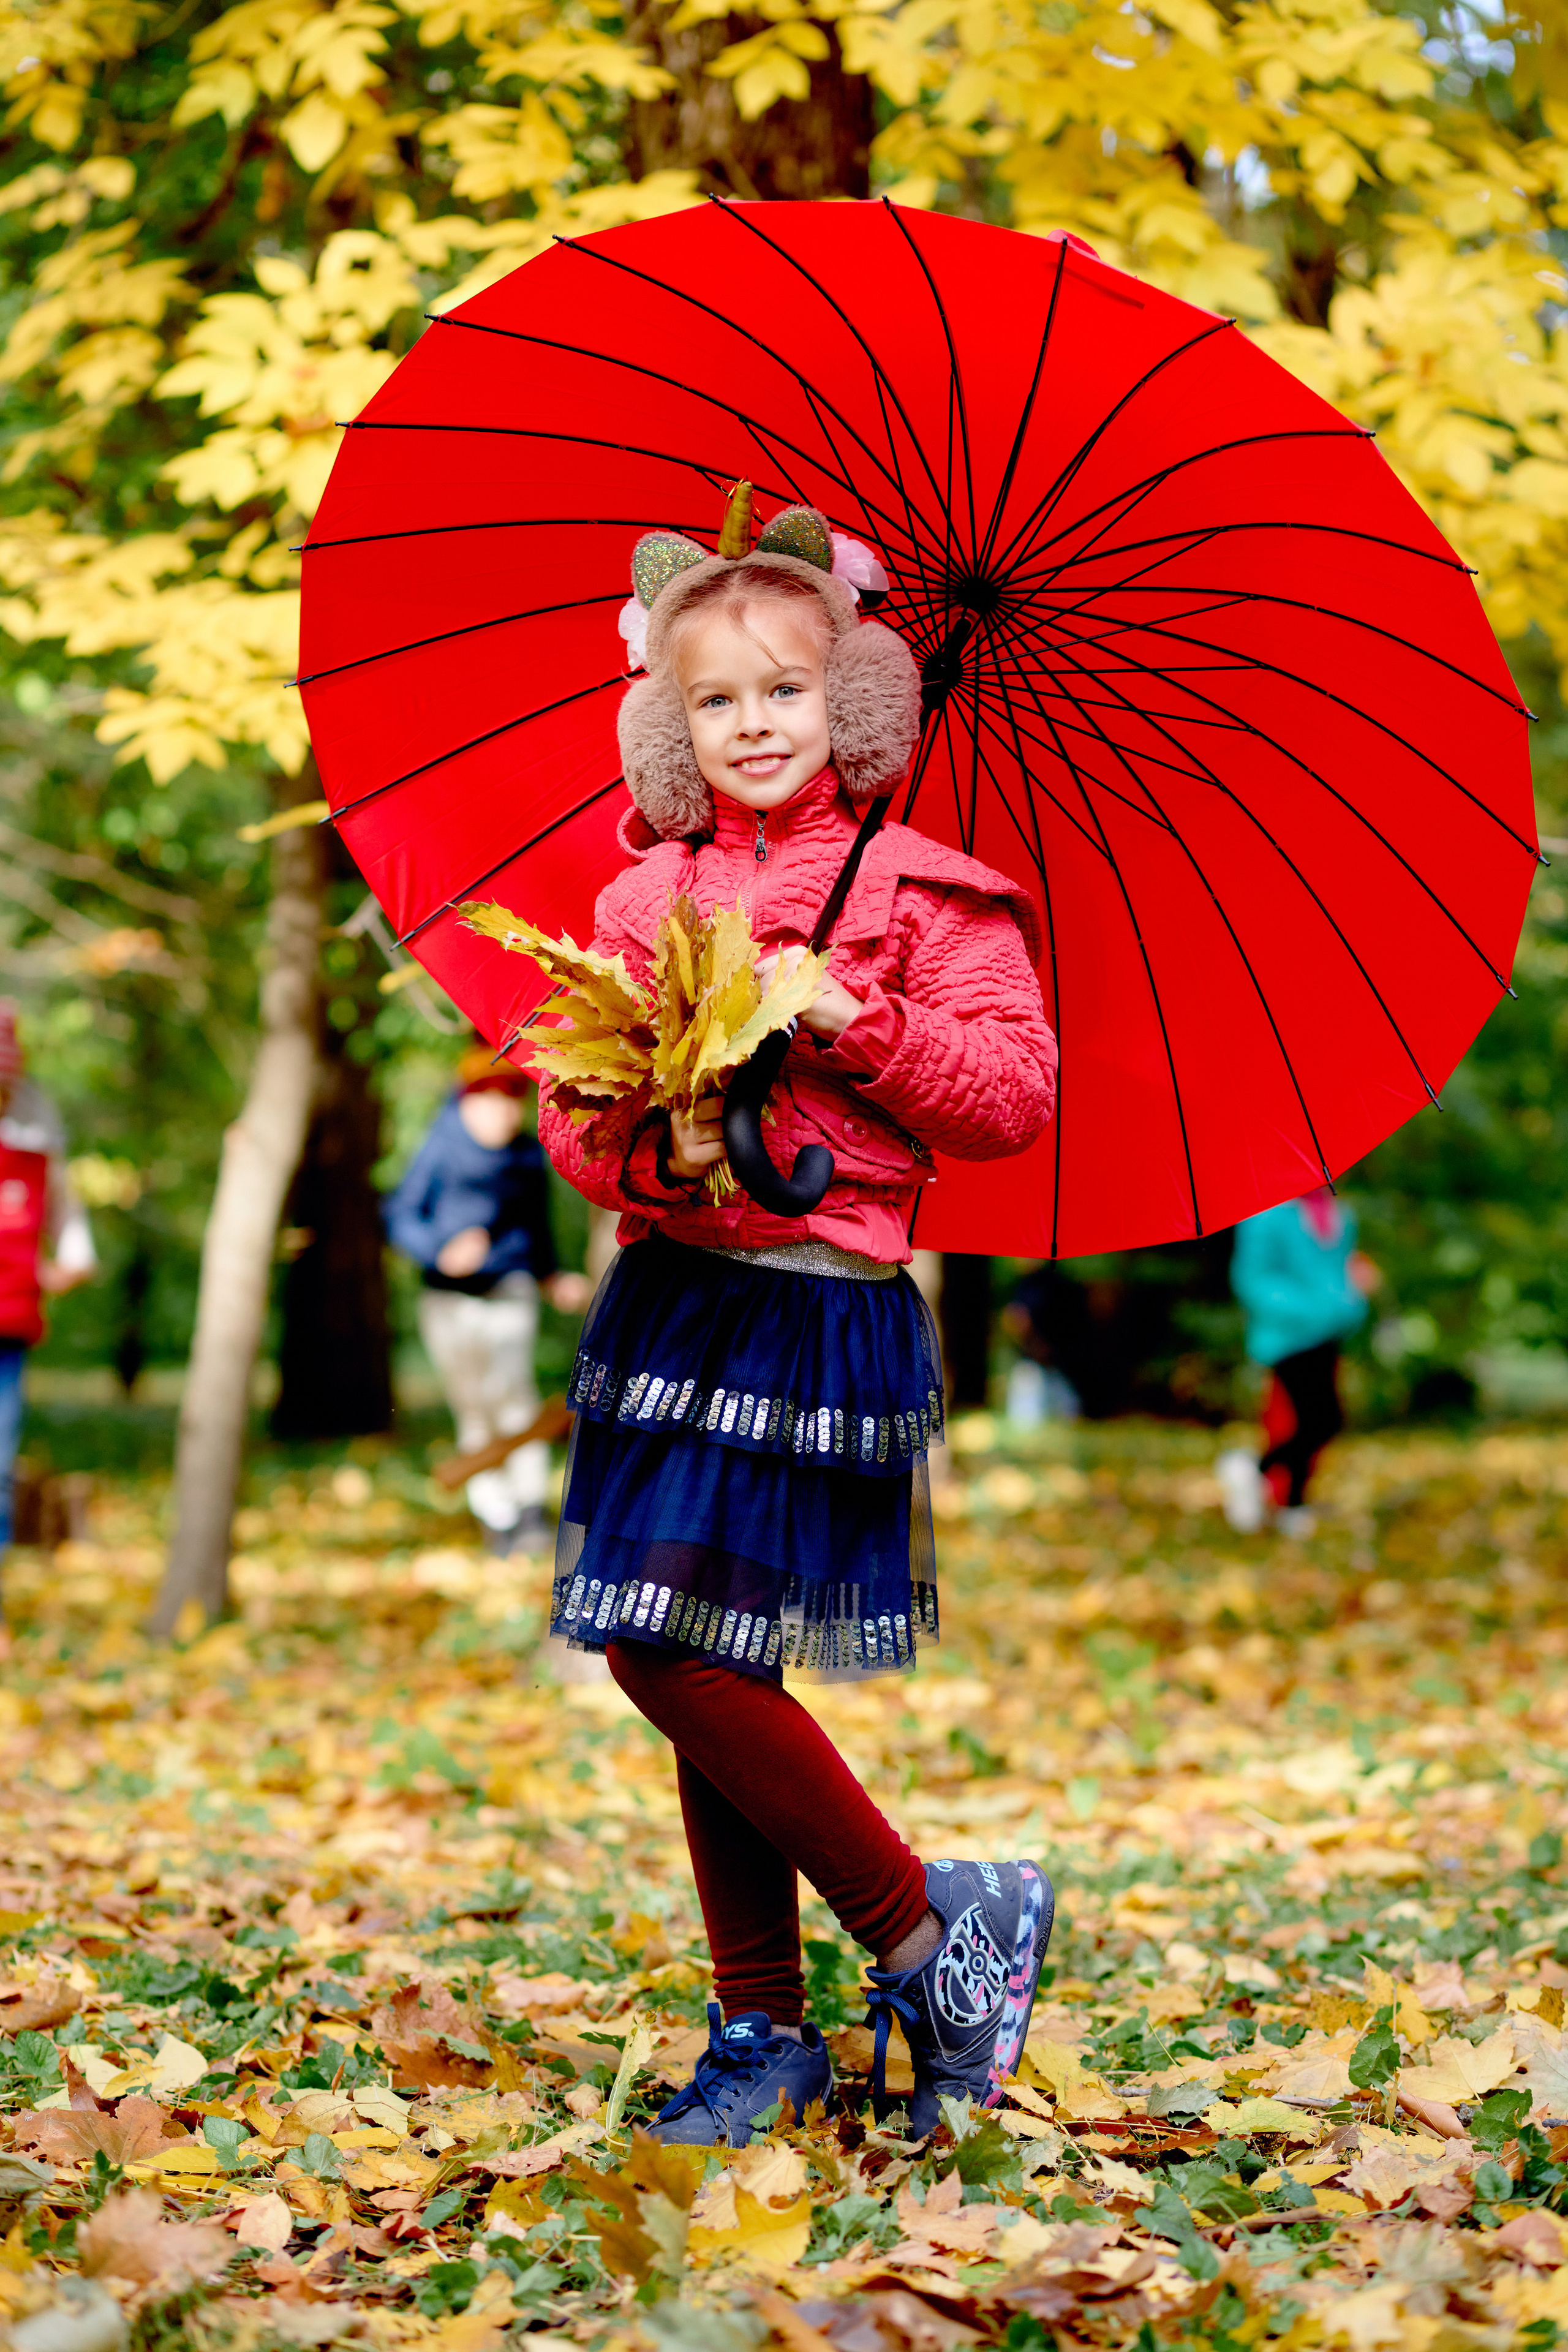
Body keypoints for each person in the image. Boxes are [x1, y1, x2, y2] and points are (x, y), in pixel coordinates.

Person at [535, 507, 1060, 2144]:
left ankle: (921, 1923)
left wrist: (863, 1013)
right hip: (677, 1296)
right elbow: (566, 1101)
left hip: (818, 1311)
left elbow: (1012, 1097)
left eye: (786, 690)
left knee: (668, 1647)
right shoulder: (643, 903)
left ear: (850, 704)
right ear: (667, 726)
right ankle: (762, 2026)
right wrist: (650, 1141)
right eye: (715, 701)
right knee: (701, 1644)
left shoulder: (919, 886)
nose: (753, 723)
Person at [387, 1052, 589, 1554]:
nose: (503, 1111)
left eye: (511, 1099)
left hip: (509, 1292)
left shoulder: (524, 1156)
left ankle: (528, 1511)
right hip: (447, 1301)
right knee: (473, 1407)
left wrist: (551, 1277)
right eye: (491, 1098)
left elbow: (536, 1227)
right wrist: (441, 1250)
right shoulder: (440, 1148)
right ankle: (495, 1517)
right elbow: (400, 1215)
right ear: (468, 1100)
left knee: (513, 1396)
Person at [0, 1000, 96, 1591]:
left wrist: (71, 1263)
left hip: (11, 1311)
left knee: (1, 1446)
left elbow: (65, 1214)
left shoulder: (36, 1132)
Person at [1218, 1185, 1378, 1538]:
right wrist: (1312, 1310)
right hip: (1286, 1336)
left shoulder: (1340, 1215)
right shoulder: (1267, 1216)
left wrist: (1353, 1299)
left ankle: (1292, 1502)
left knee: (1321, 1420)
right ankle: (1255, 1470)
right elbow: (1253, 1279)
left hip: (1330, 1332)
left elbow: (1340, 1273)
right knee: (1314, 1418)